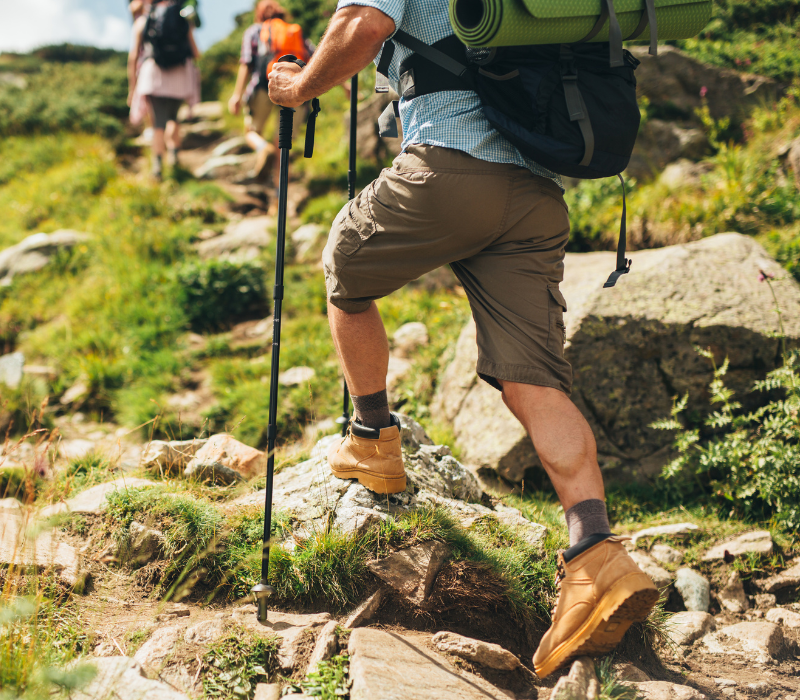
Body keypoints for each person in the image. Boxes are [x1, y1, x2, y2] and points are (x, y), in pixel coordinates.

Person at [267, 0, 659, 679]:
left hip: (452, 166)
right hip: (535, 192)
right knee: (534, 381)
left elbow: (362, 26)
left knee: (345, 267)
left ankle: (373, 441)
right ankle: (596, 554)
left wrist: (299, 88)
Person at [228, 1, 310, 183]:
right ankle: (278, 195)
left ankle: (263, 148)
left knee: (251, 131)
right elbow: (314, 58)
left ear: (259, 14)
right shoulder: (294, 31)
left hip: (263, 86)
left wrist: (237, 95)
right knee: (283, 145)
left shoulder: (254, 31)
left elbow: (246, 63)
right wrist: (345, 87)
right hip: (292, 89)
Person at [128, 0, 201, 179]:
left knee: (158, 124)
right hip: (179, 76)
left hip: (153, 75)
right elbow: (196, 52)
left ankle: (158, 168)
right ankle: (174, 158)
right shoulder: (183, 18)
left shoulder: (143, 21)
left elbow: (133, 57)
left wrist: (132, 88)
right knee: (173, 119)